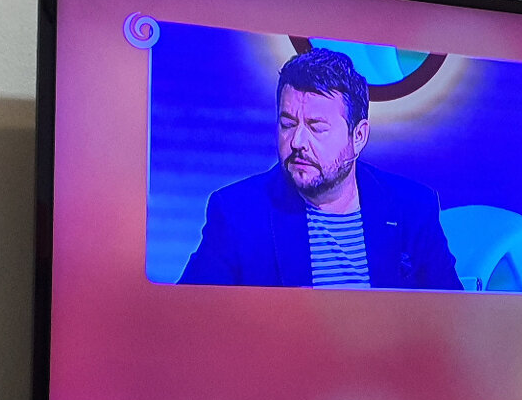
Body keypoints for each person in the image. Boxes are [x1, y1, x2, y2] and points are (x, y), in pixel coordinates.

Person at [179, 48, 463, 290]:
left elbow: (451, 319)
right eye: (288, 124)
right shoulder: (236, 212)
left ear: (358, 136)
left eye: (316, 128)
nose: (297, 142)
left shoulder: (412, 208)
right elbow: (190, 318)